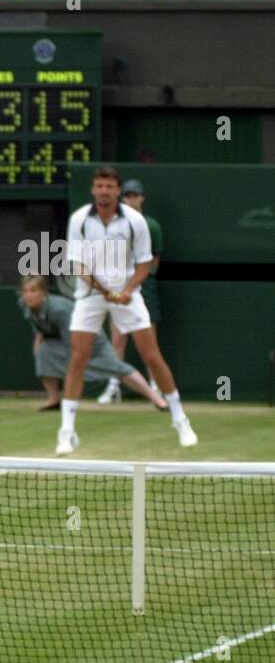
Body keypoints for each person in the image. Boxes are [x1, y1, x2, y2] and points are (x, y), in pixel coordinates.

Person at [57, 167, 196, 455]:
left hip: (128, 293)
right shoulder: (79, 220)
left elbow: (145, 263)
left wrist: (129, 290)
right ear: (93, 190)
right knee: (78, 358)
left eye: (109, 186)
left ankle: (180, 419)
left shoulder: (135, 221)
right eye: (99, 186)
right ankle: (67, 431)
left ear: (117, 190)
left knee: (152, 356)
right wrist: (102, 290)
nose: (104, 191)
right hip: (90, 294)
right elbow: (78, 264)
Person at [20, 275, 167, 413]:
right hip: (67, 342)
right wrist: (39, 342)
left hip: (93, 341)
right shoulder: (25, 305)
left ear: (43, 293)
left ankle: (157, 399)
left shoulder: (59, 310)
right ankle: (54, 400)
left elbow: (71, 341)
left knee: (118, 368)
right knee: (44, 351)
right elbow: (40, 329)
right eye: (25, 291)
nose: (29, 295)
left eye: (33, 291)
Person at [98, 178, 163, 405]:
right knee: (117, 339)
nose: (131, 199)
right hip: (117, 285)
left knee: (149, 342)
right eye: (127, 195)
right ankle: (114, 386)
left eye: (135, 195)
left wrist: (136, 281)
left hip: (145, 288)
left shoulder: (151, 226)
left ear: (142, 198)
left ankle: (155, 386)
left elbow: (154, 260)